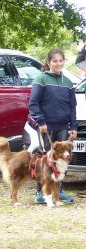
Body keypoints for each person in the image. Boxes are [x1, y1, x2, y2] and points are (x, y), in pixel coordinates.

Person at [28, 48, 77, 204]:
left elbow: (72, 107)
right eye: (54, 61)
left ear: (64, 62)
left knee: (61, 160)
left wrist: (73, 126)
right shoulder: (41, 79)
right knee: (45, 159)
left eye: (61, 60)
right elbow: (33, 103)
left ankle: (58, 191)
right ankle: (40, 192)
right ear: (49, 62)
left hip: (63, 126)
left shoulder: (68, 83)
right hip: (46, 127)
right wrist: (41, 122)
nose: (58, 63)